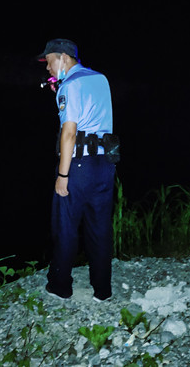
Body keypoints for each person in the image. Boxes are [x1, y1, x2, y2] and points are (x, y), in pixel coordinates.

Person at [37, 38, 118, 302]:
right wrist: (60, 91)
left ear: (62, 57)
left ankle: (60, 285)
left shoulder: (69, 86)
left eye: (49, 61)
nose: (47, 68)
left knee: (65, 226)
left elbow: (69, 133)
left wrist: (63, 175)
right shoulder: (100, 79)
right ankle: (102, 290)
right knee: (99, 227)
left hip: (78, 167)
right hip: (105, 164)